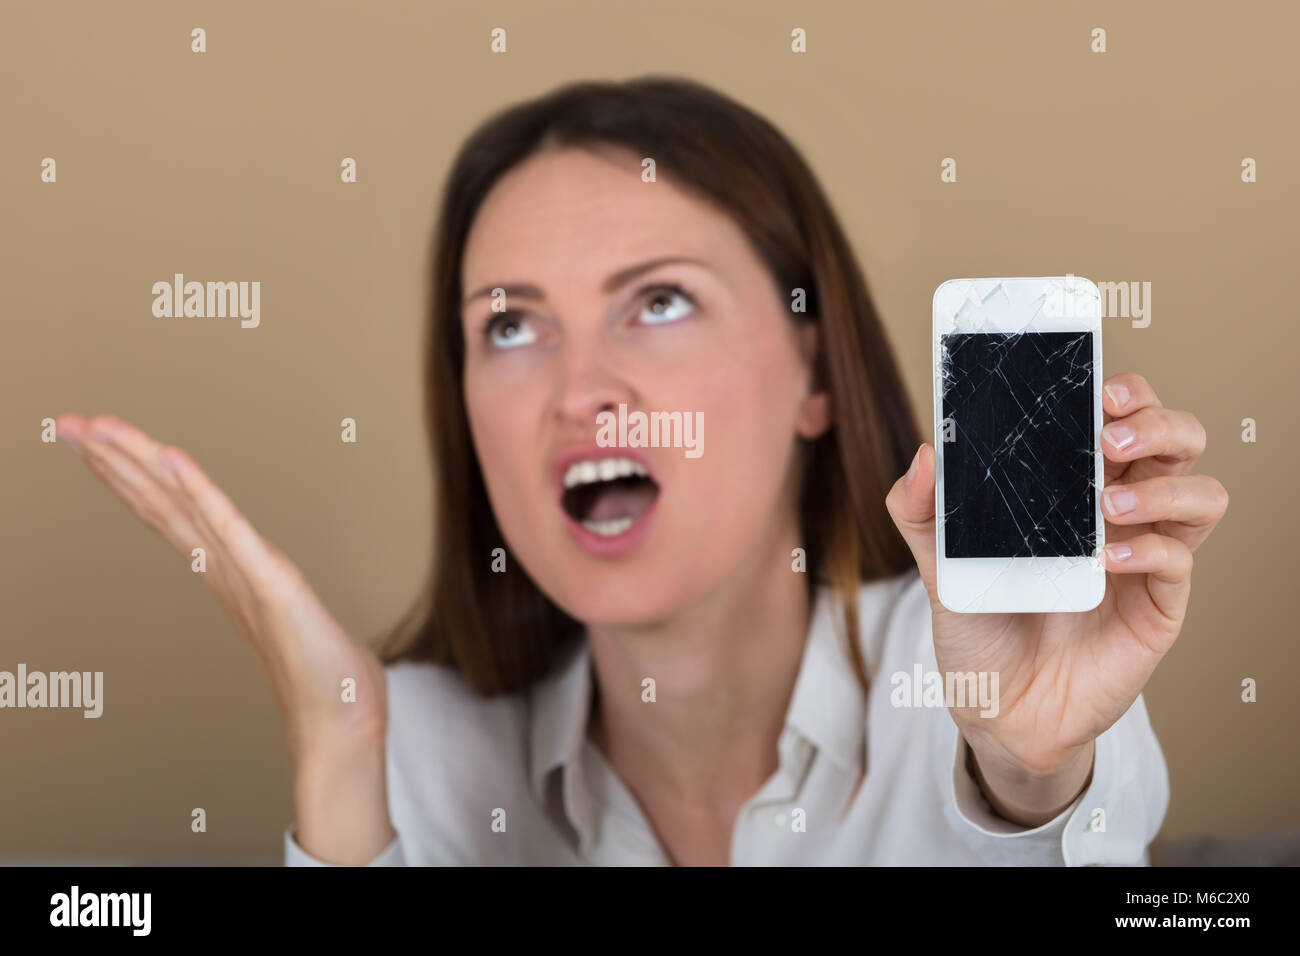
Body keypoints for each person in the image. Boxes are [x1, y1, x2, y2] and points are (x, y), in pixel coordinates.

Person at [55, 77, 1228, 866]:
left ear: (814, 375)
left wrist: (1030, 770)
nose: (577, 389)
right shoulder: (412, 749)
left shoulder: (981, 656)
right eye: (510, 325)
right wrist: (346, 758)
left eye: (658, 302)